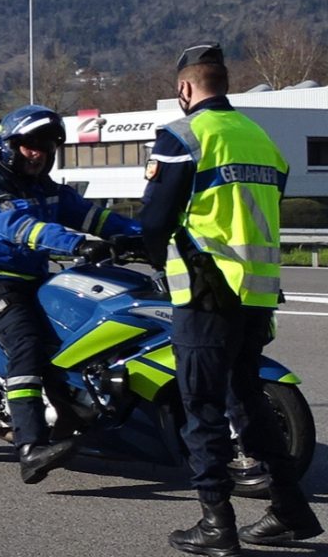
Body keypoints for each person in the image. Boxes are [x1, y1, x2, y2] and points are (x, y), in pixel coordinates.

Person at [141, 42, 322, 555]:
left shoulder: (185, 135)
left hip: (205, 293)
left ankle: (215, 523)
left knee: (201, 408)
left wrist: (156, 258)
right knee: (248, 400)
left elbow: (156, 219)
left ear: (184, 88)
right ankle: (290, 510)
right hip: (257, 294)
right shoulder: (259, 138)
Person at [0, 104, 141, 484]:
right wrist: (77, 244)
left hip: (32, 277)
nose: (39, 151)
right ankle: (30, 446)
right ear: (8, 145)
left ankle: (73, 414)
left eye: (47, 144)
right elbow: (18, 226)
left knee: (74, 331)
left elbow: (94, 216)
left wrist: (144, 234)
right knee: (26, 343)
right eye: (29, 143)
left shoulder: (48, 189)